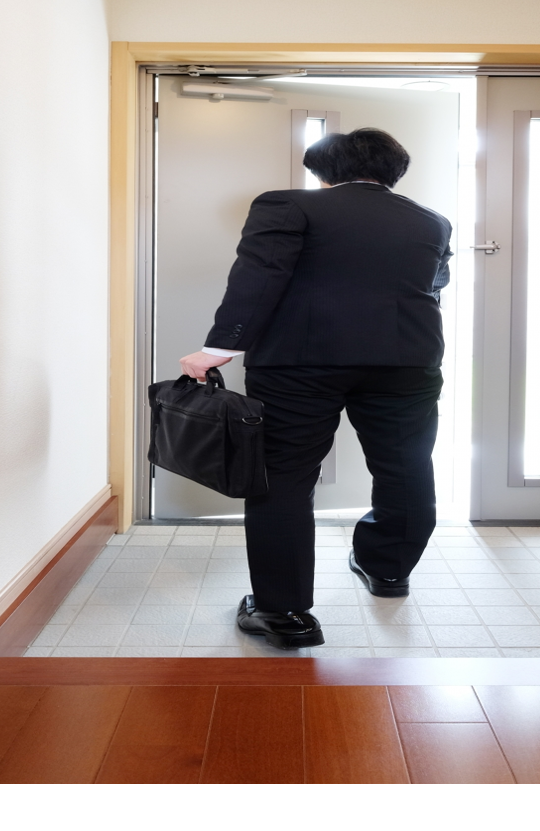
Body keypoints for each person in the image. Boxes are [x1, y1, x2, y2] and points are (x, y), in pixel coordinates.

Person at [179, 127, 452, 649]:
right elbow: (433, 286)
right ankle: (387, 569)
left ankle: (283, 614)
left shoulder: (287, 205)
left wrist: (220, 347)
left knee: (282, 475)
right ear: (394, 171)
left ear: (325, 172)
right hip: (407, 362)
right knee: (406, 465)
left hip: (298, 363)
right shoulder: (431, 221)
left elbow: (259, 276)